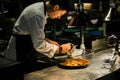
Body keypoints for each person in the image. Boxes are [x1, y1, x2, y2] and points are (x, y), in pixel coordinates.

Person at [5, 0, 72, 69]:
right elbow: (39, 44)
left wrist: (48, 40)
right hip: (20, 48)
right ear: (56, 7)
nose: (59, 17)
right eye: (60, 14)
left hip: (26, 44)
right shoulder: (37, 14)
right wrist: (59, 49)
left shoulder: (40, 8)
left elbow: (32, 32)